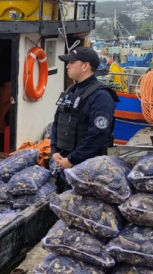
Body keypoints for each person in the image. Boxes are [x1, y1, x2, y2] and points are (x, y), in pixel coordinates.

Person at [51, 46, 119, 186]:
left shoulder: (101, 96)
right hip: (65, 163)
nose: (67, 66)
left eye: (71, 62)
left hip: (88, 170)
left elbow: (98, 135)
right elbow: (57, 122)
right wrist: (54, 150)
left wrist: (72, 159)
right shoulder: (72, 90)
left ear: (85, 66)